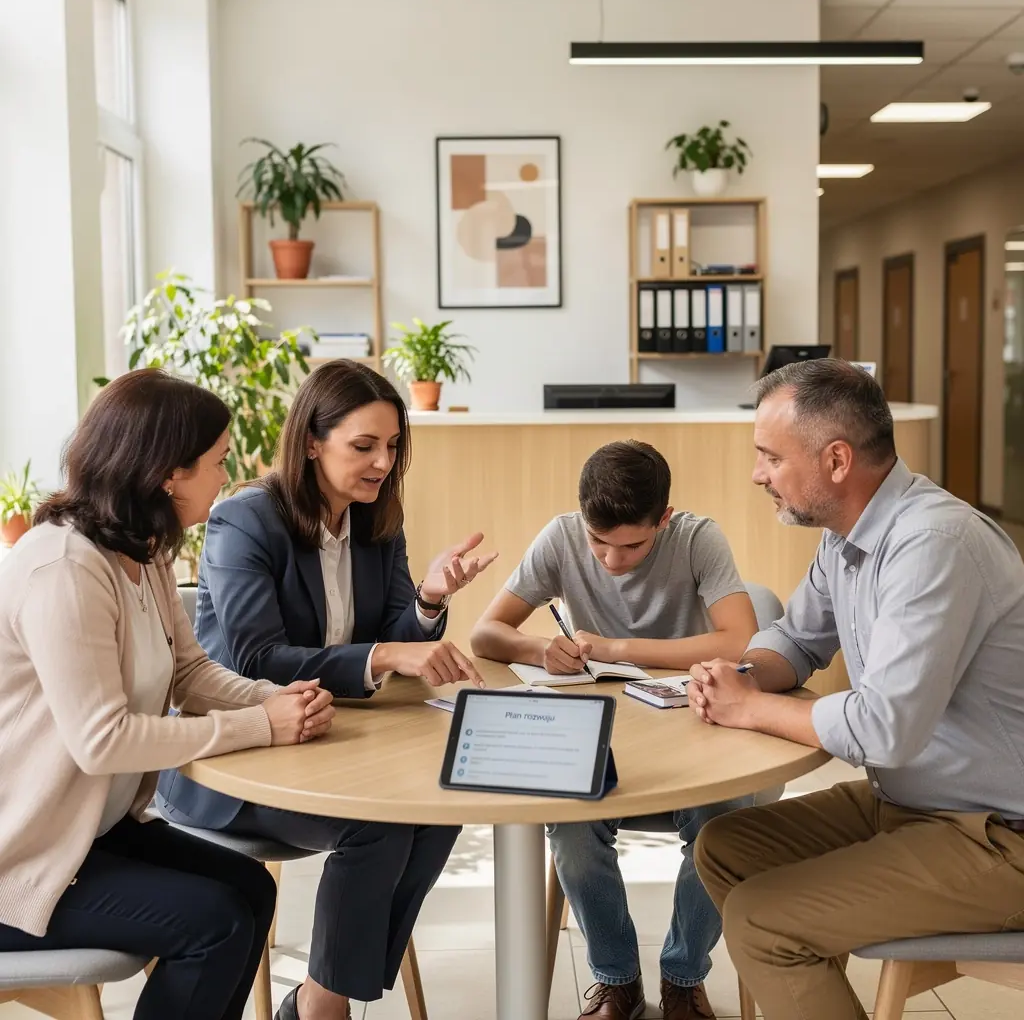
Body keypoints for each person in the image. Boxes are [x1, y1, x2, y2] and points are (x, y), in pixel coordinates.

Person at [157, 359, 497, 1020]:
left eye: (392, 447)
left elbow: (392, 638)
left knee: (440, 804)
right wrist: (391, 652)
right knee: (379, 826)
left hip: (326, 734)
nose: (381, 463)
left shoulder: (376, 523)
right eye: (363, 446)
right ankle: (325, 1006)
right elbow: (260, 657)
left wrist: (429, 598)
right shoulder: (244, 521)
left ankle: (319, 993)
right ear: (311, 440)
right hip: (236, 760)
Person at [689, 358, 1024, 1020]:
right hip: (914, 804)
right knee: (726, 849)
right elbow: (798, 639)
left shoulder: (933, 542)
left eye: (769, 458)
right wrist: (743, 676)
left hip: (998, 837)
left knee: (762, 922)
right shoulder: (847, 536)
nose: (757, 475)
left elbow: (884, 729)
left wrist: (751, 708)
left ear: (836, 461)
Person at [0, 371, 334, 1020]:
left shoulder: (142, 553)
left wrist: (277, 700)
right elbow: (103, 742)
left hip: (89, 834)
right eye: (218, 462)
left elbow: (190, 673)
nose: (228, 476)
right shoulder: (64, 569)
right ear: (166, 474)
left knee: (247, 889)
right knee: (215, 923)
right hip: (21, 857)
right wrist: (260, 726)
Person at [471, 440, 759, 1020]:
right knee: (572, 830)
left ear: (664, 519)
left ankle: (683, 977)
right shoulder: (560, 537)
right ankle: (616, 977)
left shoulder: (698, 539)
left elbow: (740, 639)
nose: (610, 559)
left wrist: (616, 647)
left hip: (693, 729)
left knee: (721, 826)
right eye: (597, 540)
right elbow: (486, 633)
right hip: (599, 730)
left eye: (632, 544)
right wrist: (538, 647)